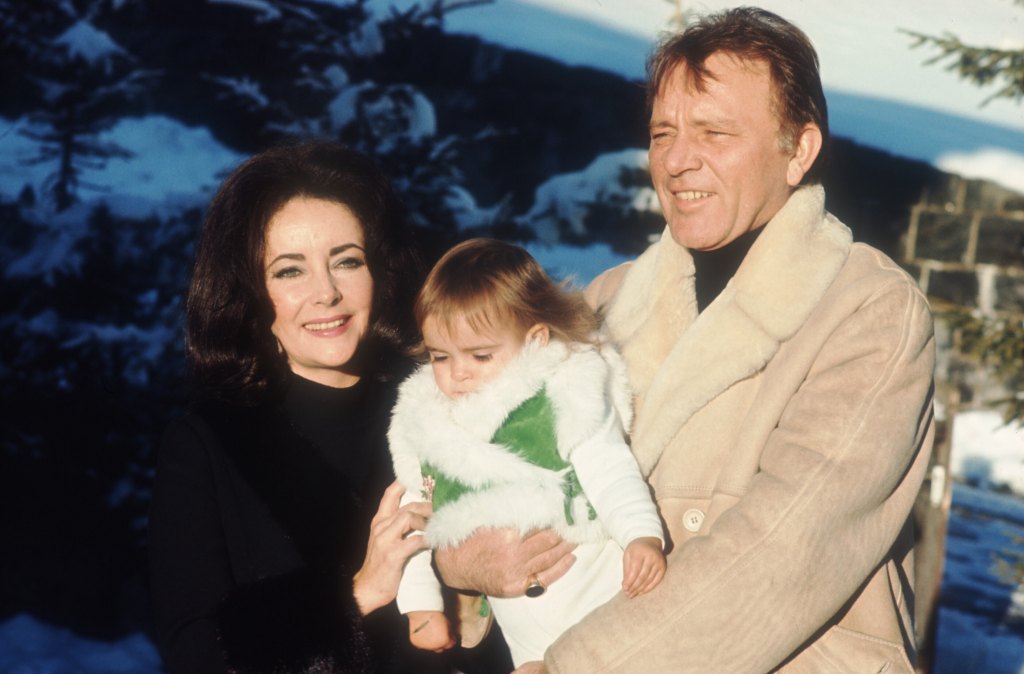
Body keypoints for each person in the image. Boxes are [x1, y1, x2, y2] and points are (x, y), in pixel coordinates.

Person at [435, 8, 936, 673]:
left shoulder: (870, 312)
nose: (675, 159)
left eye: (714, 131)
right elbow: (485, 453)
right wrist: (461, 559)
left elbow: (780, 555)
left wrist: (577, 667)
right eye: (662, 132)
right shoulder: (605, 303)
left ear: (800, 149)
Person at [147, 141, 511, 673]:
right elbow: (195, 655)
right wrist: (357, 594)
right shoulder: (208, 444)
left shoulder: (446, 401)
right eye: (289, 271)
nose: (326, 293)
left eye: (347, 261)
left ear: (380, 274)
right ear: (247, 291)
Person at [386, 239, 666, 667]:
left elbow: (610, 468)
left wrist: (640, 535)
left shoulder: (562, 394)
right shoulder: (431, 421)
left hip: (601, 599)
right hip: (525, 641)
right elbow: (416, 513)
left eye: (480, 355)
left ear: (535, 340)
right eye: (440, 357)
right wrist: (420, 605)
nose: (459, 373)